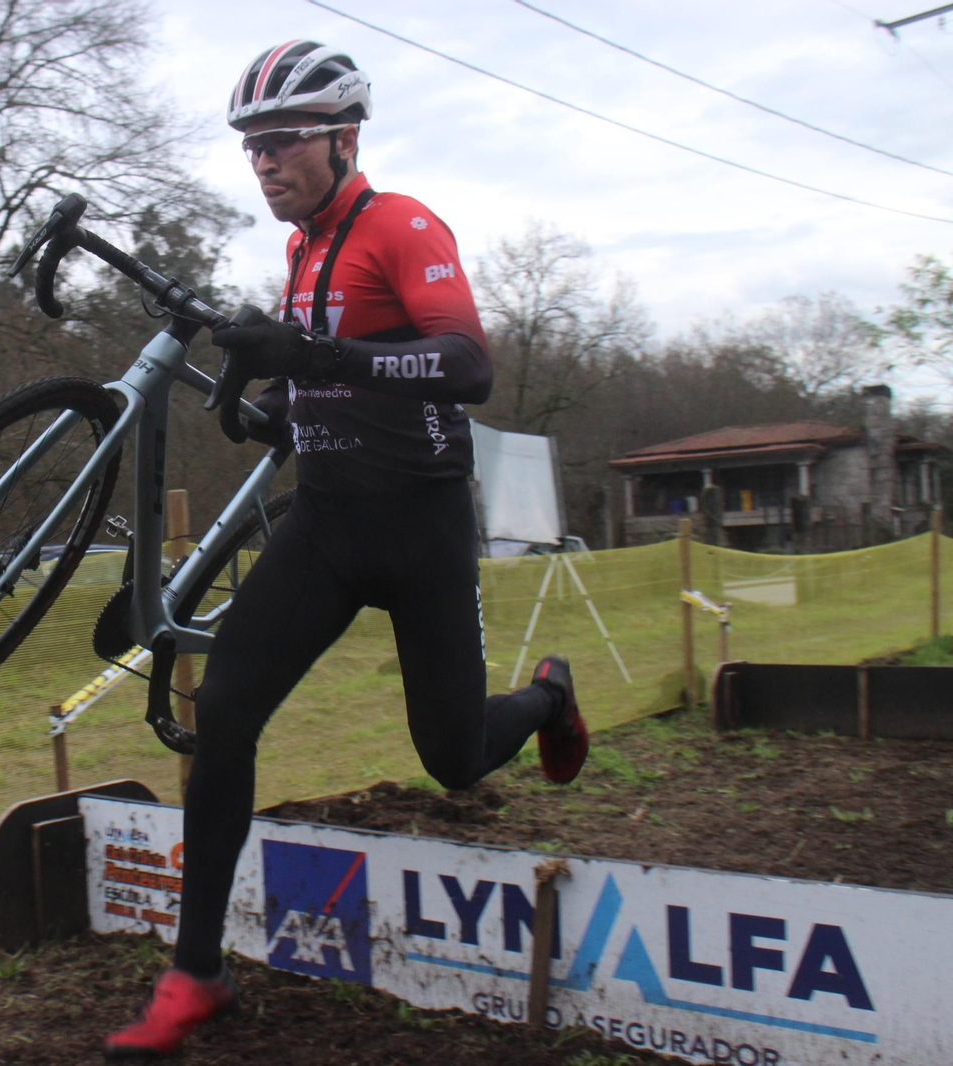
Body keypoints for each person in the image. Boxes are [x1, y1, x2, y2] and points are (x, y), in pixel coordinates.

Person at [101, 40, 589, 1061]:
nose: (264, 162)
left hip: (417, 529)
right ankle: (195, 973)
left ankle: (546, 692)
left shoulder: (402, 225)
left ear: (343, 137)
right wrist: (276, 398)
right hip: (323, 525)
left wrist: (314, 357)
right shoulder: (300, 251)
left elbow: (465, 365)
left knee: (452, 760)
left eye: (281, 142)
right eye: (251, 148)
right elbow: (337, 375)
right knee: (222, 711)